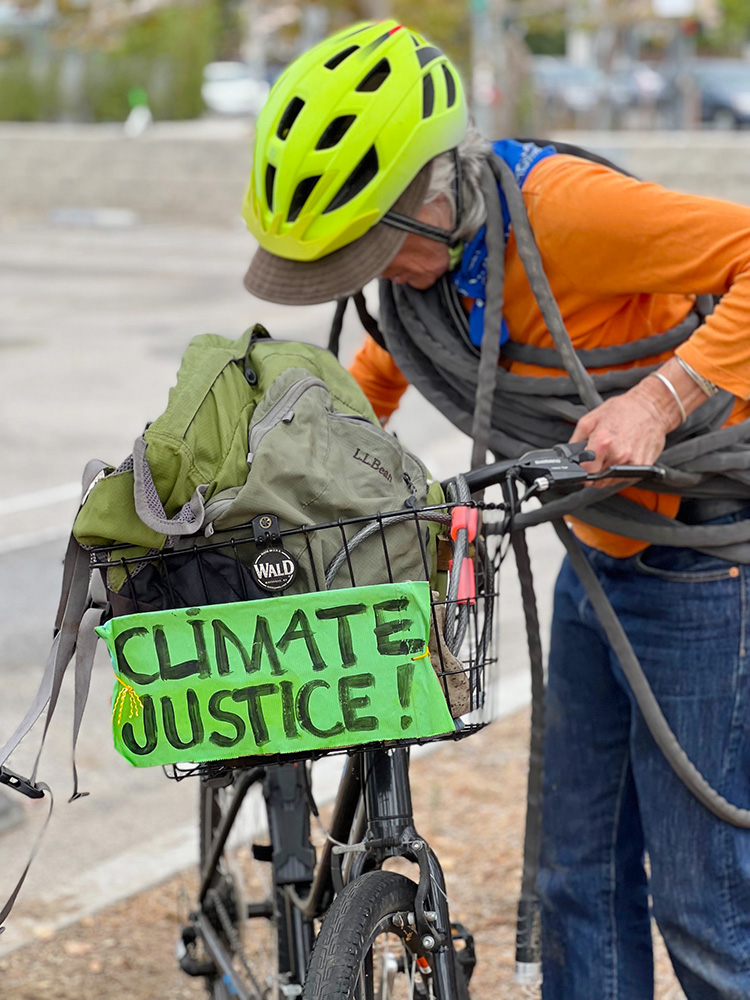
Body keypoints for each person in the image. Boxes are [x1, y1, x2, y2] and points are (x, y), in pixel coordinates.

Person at [241, 20, 750, 1000]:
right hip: (603, 555)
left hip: (699, 556)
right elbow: (390, 362)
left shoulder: (561, 212)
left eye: (375, 252)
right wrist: (290, 471)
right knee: (577, 879)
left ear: (432, 197)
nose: (375, 282)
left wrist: (659, 400)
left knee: (705, 902)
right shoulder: (431, 280)